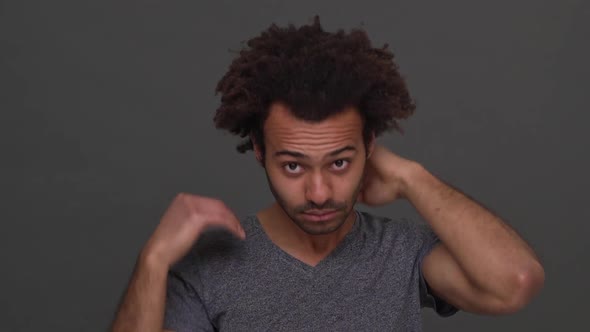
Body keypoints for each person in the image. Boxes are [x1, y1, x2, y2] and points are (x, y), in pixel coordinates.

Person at [110, 16, 544, 332]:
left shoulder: (402, 253)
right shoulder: (210, 267)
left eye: (339, 162)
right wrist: (153, 260)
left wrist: (412, 178)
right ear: (260, 151)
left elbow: (515, 283)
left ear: (369, 147)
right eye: (294, 165)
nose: (318, 193)